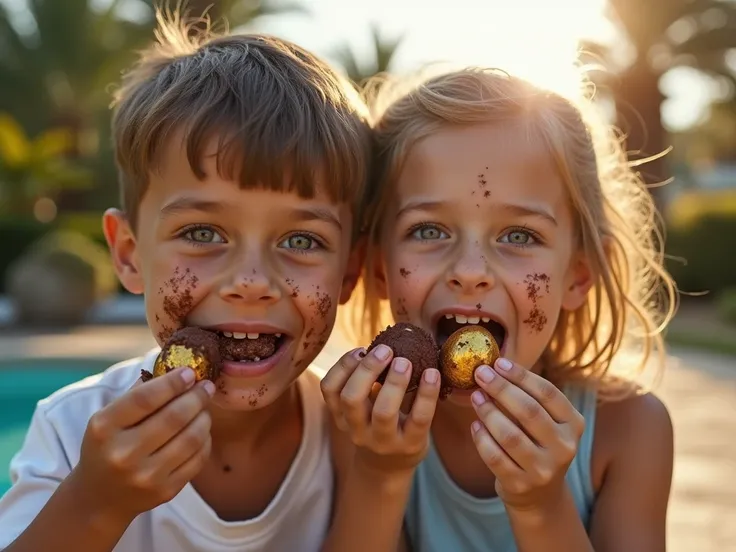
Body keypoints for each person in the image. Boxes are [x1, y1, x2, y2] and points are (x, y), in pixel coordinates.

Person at [0, 9, 372, 552]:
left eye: (300, 241)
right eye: (202, 232)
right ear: (128, 255)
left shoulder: (352, 433)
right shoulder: (73, 428)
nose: (251, 282)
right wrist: (95, 503)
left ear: (350, 272)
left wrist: (378, 472)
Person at [321, 66, 677, 551]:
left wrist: (541, 504)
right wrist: (381, 471)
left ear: (578, 274)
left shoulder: (629, 432)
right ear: (380, 267)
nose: (470, 270)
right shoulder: (360, 420)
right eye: (428, 230)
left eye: (519, 235)